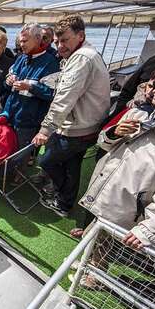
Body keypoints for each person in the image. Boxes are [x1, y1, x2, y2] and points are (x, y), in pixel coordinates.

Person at [32, 15, 110, 217]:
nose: (59, 46)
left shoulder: (81, 58)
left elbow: (64, 98)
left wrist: (45, 129)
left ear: (80, 35)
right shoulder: (88, 54)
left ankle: (60, 193)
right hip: (89, 125)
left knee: (46, 161)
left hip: (76, 128)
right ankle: (64, 203)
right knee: (72, 164)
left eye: (65, 40)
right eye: (57, 42)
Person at [79, 76, 155, 248]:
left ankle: (91, 272)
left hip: (126, 211)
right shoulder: (137, 114)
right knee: (93, 239)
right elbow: (103, 142)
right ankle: (86, 266)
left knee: (103, 247)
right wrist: (114, 133)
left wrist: (149, 229)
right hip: (107, 196)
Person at [3, 23, 60, 164]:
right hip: (10, 115)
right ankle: (7, 175)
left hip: (28, 122)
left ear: (37, 39)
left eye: (25, 41)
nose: (21, 44)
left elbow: (52, 94)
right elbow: (8, 79)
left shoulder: (50, 63)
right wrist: (9, 80)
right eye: (20, 41)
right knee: (7, 151)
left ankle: (18, 178)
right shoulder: (21, 58)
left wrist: (30, 87)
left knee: (20, 157)